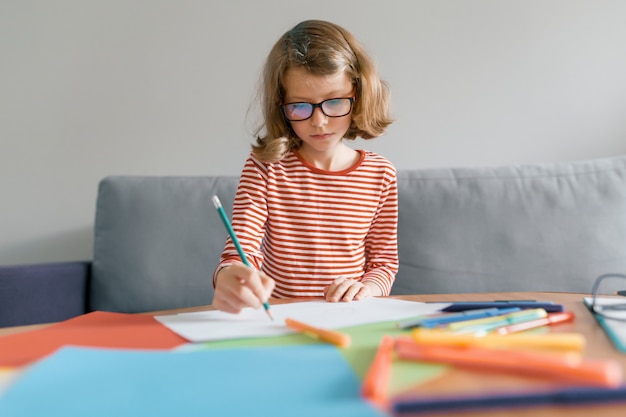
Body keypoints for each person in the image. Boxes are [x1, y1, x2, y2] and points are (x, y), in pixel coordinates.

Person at [212, 19, 398, 314]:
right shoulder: (265, 168)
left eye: (335, 102)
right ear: (281, 106)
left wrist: (367, 288)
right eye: (300, 106)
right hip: (281, 319)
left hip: (348, 317)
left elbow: (383, 264)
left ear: (358, 95)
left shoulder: (381, 174)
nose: (319, 122)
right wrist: (229, 277)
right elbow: (240, 250)